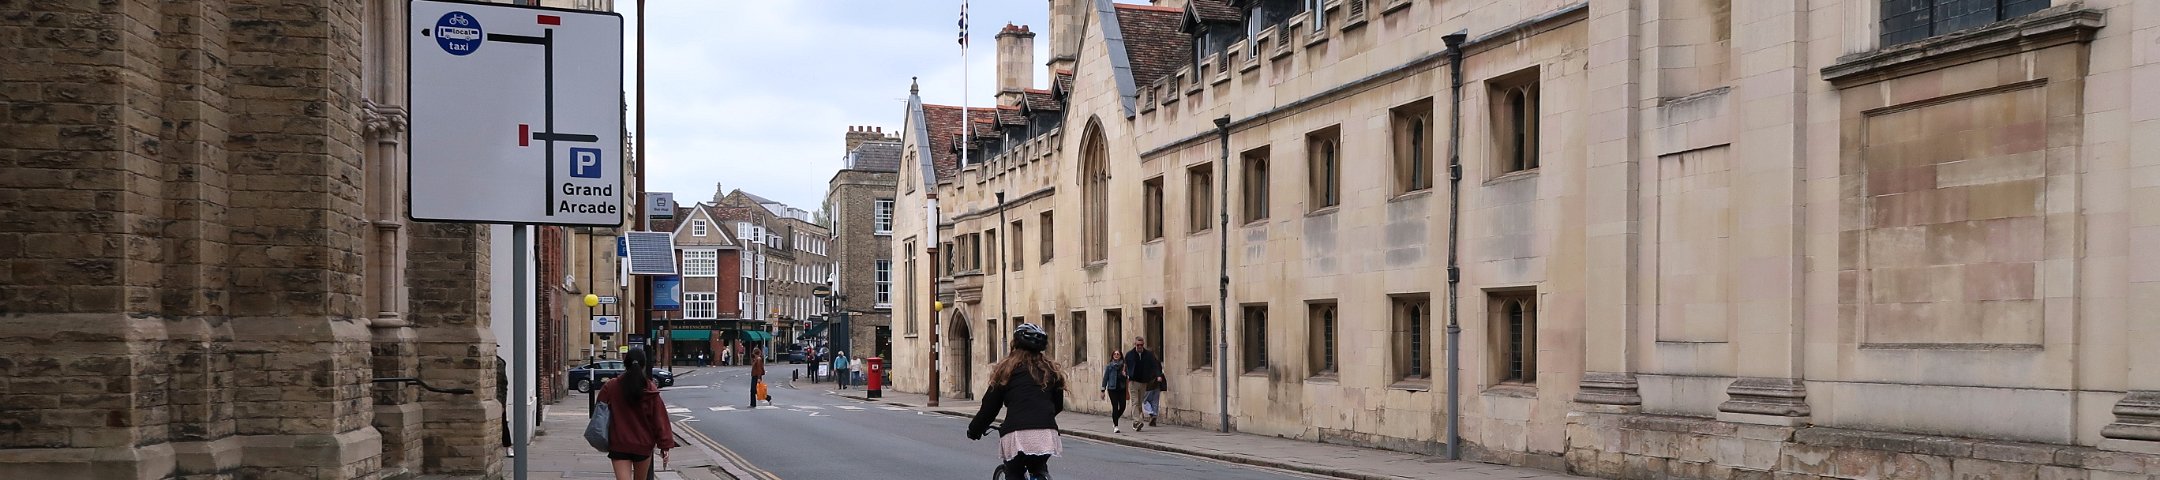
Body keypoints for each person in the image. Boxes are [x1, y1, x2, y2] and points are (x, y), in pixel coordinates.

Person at [966, 323, 1065, 480]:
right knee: (1038, 467)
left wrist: (974, 430)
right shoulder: (1051, 371)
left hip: (1018, 434)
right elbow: (1057, 405)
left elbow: (989, 408)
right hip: (1047, 433)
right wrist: (1042, 417)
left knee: (1014, 472)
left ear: (1015, 344)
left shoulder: (1006, 371)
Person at [597, 346, 675, 480]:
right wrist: (665, 446)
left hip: (619, 443)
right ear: (644, 365)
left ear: (625, 364)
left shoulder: (611, 386)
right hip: (643, 445)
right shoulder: (650, 388)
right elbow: (659, 418)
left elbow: (599, 410)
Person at [1123, 336, 1163, 431]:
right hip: (1133, 381)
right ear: (1135, 345)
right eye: (1138, 345)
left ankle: (1138, 421)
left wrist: (1158, 375)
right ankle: (1137, 421)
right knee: (1135, 402)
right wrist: (1126, 373)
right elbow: (1125, 365)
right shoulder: (1130, 354)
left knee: (1140, 402)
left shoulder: (1148, 355)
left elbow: (1155, 365)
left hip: (1144, 382)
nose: (1140, 346)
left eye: (1141, 345)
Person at [1102, 350, 1128, 433]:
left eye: (1118, 354)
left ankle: (1115, 418)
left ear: (1120, 356)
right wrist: (1103, 390)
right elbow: (1105, 378)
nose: (1116, 355)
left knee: (1123, 406)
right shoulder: (1109, 366)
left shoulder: (1124, 366)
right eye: (1115, 354)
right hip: (1112, 389)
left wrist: (1125, 375)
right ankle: (1116, 426)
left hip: (1122, 388)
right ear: (1112, 356)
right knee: (1115, 406)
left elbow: (1128, 377)